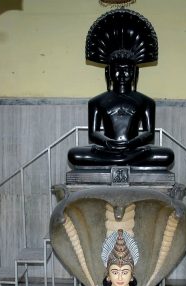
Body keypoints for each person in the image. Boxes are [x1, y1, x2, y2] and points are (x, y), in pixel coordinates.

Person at [67, 9, 174, 170]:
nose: (122, 74)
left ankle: (119, 160)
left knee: (167, 155)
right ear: (108, 72)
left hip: (135, 149)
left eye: (127, 70)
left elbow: (149, 134)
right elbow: (93, 134)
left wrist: (133, 143)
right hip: (107, 150)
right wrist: (107, 142)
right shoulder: (96, 101)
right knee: (75, 154)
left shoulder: (146, 101)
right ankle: (123, 160)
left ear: (135, 73)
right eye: (117, 69)